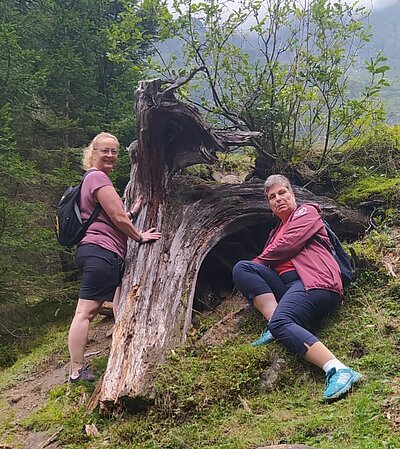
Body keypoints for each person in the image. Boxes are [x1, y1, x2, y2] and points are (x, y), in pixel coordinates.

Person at [232, 174, 361, 400]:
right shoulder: (274, 232)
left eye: (282, 193)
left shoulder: (306, 212)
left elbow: (286, 246)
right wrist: (259, 263)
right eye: (272, 197)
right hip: (291, 286)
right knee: (243, 268)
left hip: (316, 281)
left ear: (293, 195)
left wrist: (261, 260)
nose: (278, 198)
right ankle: (274, 322)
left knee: (284, 321)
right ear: (269, 205)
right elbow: (270, 257)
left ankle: (338, 369)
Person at [68, 132, 161, 383]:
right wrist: (140, 236)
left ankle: (122, 349)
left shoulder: (92, 179)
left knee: (118, 300)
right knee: (85, 312)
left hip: (97, 251)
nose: (110, 155)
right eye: (104, 150)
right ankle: (76, 370)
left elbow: (114, 217)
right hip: (101, 252)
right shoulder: (97, 177)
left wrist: (133, 211)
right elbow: (117, 220)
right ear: (93, 152)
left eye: (114, 151)